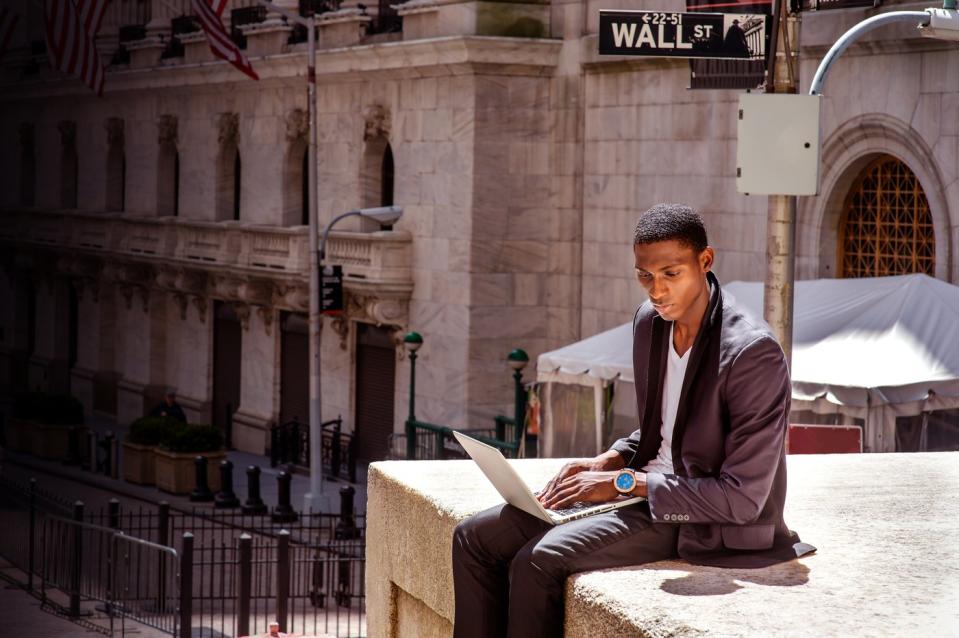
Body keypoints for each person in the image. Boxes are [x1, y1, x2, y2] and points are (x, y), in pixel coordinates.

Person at [451, 203, 814, 638]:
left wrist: (625, 484)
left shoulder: (752, 353)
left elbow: (743, 499)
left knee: (537, 559)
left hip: (697, 519)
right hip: (638, 489)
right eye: (645, 275)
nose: (656, 291)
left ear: (705, 261)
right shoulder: (651, 323)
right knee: (473, 538)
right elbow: (668, 427)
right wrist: (608, 460)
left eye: (671, 274)